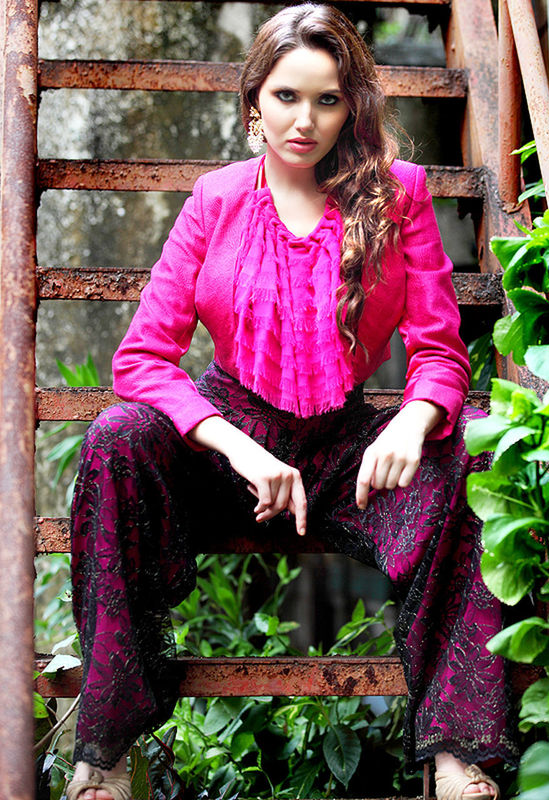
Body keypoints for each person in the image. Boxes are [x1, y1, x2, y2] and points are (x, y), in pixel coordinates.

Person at [66, 5, 517, 800]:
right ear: (253, 106)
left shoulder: (398, 195)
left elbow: (441, 352)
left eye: (328, 99)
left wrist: (414, 418)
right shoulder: (215, 199)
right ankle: (103, 753)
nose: (304, 120)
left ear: (353, 107)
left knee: (480, 440)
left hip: (347, 454)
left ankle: (456, 751)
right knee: (117, 437)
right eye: (285, 97)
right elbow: (141, 359)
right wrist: (234, 445)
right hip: (226, 444)